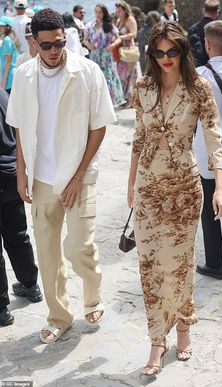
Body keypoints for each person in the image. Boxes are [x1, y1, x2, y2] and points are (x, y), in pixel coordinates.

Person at [6, 8, 116, 344]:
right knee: (48, 252)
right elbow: (22, 127)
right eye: (47, 45)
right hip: (41, 178)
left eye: (59, 42)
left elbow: (99, 126)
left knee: (79, 247)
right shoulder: (24, 76)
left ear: (65, 37)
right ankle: (59, 316)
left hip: (79, 176)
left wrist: (78, 176)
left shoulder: (88, 71)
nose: (54, 51)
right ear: (34, 43)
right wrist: (22, 172)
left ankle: (93, 296)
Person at [127, 21, 222, 377]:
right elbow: (139, 138)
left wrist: (219, 187)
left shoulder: (199, 88)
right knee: (150, 266)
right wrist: (130, 185)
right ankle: (158, 339)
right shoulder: (142, 88)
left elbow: (215, 138)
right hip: (148, 187)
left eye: (173, 51)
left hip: (185, 188)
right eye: (159, 52)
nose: (166, 58)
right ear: (151, 53)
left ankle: (183, 325)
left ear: (184, 51)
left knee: (181, 264)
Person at [193, 21, 222, 279]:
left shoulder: (200, 76)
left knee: (209, 210)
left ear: (208, 44)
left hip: (209, 152)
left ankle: (215, 264)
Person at [0, 88, 42, 327]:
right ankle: (30, 285)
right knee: (18, 235)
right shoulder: (5, 96)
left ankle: (2, 309)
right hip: (11, 176)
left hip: (6, 174)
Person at [84, 4, 125, 107]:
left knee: (109, 77)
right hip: (95, 55)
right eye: (96, 12)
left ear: (104, 13)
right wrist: (88, 45)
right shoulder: (89, 25)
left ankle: (109, 102)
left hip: (107, 56)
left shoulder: (109, 25)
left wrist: (113, 45)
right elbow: (85, 39)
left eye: (100, 12)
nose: (98, 14)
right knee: (95, 78)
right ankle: (96, 102)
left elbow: (119, 38)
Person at [115, 1, 138, 108]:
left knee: (130, 75)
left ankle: (131, 100)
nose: (117, 12)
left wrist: (121, 37)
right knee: (121, 75)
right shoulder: (119, 20)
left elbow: (134, 34)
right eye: (117, 10)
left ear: (125, 10)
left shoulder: (130, 19)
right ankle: (125, 98)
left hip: (129, 51)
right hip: (121, 51)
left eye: (119, 10)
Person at [188, 0, 220, 67]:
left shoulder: (193, 29)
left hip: (197, 70)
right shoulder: (220, 30)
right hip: (217, 70)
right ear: (217, 13)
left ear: (203, 10)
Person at [0, 16, 19, 93]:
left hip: (9, 76)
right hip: (11, 74)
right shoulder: (9, 38)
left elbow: (8, 61)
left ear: (8, 27)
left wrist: (4, 80)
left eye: (2, 26)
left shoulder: (7, 40)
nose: (0, 28)